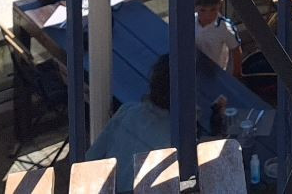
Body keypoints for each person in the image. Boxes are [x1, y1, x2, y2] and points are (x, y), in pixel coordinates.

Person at [88, 54, 225, 185]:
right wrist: (216, 125)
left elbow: (90, 160)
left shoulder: (126, 112)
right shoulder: (179, 141)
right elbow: (212, 171)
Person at [193, 0, 243, 76]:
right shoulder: (190, 21)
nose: (208, 16)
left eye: (213, 9)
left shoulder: (225, 27)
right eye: (202, 10)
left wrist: (236, 74)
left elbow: (236, 50)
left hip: (216, 73)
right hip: (196, 69)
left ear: (220, 4)